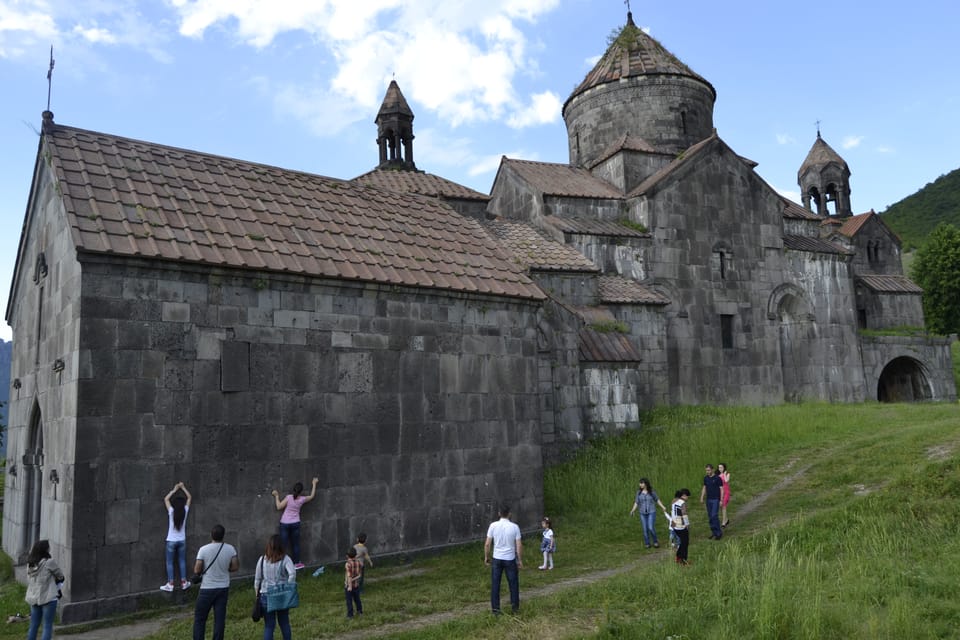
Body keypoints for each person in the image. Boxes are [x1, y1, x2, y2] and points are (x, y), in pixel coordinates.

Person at [192, 524, 239, 640]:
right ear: (223, 535)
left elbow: (197, 569)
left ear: (211, 535)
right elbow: (235, 567)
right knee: (219, 619)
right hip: (223, 587)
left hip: (206, 588)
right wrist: (226, 569)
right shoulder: (230, 549)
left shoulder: (203, 549)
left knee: (200, 618)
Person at [254, 534, 296, 640]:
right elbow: (292, 573)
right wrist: (289, 586)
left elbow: (257, 579)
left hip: (265, 594)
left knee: (269, 625)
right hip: (282, 594)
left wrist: (257, 593)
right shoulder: (285, 559)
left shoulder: (262, 560)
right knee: (284, 622)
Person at [483, 503, 523, 615]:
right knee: (513, 583)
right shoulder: (515, 527)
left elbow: (487, 544)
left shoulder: (493, 525)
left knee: (495, 584)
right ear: (509, 514)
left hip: (497, 558)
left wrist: (487, 556)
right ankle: (515, 608)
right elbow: (519, 546)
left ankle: (496, 610)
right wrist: (519, 560)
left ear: (499, 513)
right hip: (510, 559)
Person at [271, 477, 318, 569]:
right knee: (295, 544)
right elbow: (312, 496)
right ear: (301, 491)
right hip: (295, 523)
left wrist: (276, 496)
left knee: (283, 544)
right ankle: (296, 563)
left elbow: (279, 507)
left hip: (285, 523)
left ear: (293, 489)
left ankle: (280, 563)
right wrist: (314, 483)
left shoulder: (289, 498)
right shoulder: (302, 499)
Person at [25, 540, 65, 640]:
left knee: (33, 625)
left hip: (34, 598)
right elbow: (60, 576)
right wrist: (58, 586)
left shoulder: (30, 564)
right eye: (48, 547)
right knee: (47, 626)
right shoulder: (49, 562)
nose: (49, 549)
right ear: (45, 549)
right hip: (49, 598)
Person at [161, 481, 192, 592]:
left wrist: (174, 490)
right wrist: (183, 487)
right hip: (182, 540)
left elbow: (166, 499)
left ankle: (170, 584)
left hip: (171, 540)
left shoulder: (171, 511)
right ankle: (184, 582)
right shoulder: (185, 511)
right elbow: (189, 497)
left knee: (169, 562)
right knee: (182, 560)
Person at [628, 478, 667, 549]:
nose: (640, 484)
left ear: (646, 484)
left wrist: (662, 507)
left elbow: (657, 500)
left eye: (642, 483)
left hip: (651, 512)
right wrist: (633, 510)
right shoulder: (638, 493)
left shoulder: (652, 492)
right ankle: (647, 543)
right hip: (642, 513)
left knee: (650, 527)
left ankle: (655, 541)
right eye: (640, 483)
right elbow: (636, 502)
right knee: (645, 529)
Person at [699, 463, 724, 540]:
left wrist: (721, 500)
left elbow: (721, 489)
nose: (707, 472)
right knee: (710, 517)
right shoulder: (706, 478)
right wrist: (702, 497)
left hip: (715, 499)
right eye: (706, 470)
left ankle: (718, 533)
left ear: (712, 470)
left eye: (709, 470)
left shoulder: (717, 478)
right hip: (708, 499)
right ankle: (714, 532)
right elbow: (704, 488)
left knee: (714, 515)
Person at [670, 489, 691, 565]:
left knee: (682, 542)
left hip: (674, 525)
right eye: (687, 496)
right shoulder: (682, 503)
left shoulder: (673, 501)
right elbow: (684, 513)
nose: (687, 498)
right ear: (683, 496)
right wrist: (687, 524)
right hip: (681, 525)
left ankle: (678, 557)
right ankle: (683, 560)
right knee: (685, 543)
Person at [344, 547, 363, 619]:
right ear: (356, 555)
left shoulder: (347, 564)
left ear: (347, 556)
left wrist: (349, 586)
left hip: (349, 586)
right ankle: (360, 611)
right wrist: (355, 578)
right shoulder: (359, 562)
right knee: (357, 599)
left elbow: (349, 576)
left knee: (349, 601)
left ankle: (350, 615)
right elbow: (360, 574)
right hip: (356, 585)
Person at [718, 462, 731, 528]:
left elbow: (726, 481)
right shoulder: (718, 475)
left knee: (724, 505)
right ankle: (726, 519)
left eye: (721, 467)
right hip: (720, 493)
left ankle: (723, 522)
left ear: (724, 468)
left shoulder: (727, 474)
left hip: (726, 492)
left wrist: (725, 474)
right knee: (721, 507)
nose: (720, 469)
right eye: (719, 467)